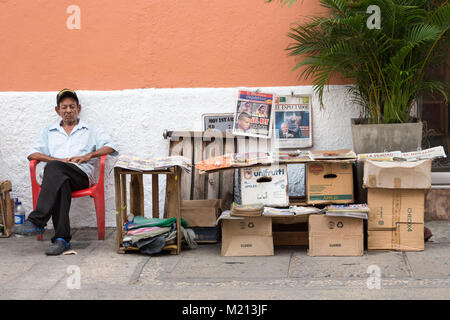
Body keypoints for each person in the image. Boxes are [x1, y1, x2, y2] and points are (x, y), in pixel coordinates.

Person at [12, 89, 118, 256]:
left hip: (81, 175)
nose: (68, 110)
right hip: (57, 178)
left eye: (72, 106)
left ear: (79, 108)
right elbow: (32, 153)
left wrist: (90, 155)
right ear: (57, 110)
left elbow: (110, 147)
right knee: (60, 179)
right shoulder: (49, 131)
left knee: (54, 169)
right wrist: (57, 160)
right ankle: (62, 240)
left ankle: (37, 221)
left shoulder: (90, 129)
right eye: (64, 107)